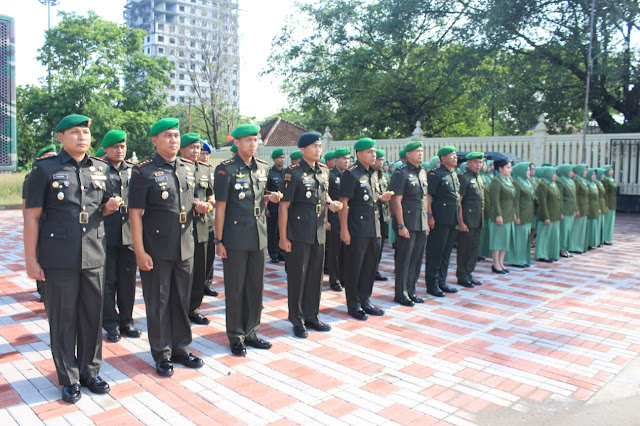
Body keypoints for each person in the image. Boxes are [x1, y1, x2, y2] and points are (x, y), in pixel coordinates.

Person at [24, 114, 119, 402]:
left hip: (93, 253)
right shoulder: (45, 169)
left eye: (86, 133)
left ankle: (91, 372)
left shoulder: (100, 169)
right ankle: (68, 377)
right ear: (60, 137)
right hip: (58, 256)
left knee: (92, 316)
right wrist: (31, 260)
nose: (82, 138)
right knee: (63, 319)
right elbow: (32, 217)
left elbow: (100, 208)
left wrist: (110, 206)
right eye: (75, 133)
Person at [129, 118, 207, 376]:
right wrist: (139, 251)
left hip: (185, 244)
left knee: (181, 299)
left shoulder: (187, 168)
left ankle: (181, 347)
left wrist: (200, 205)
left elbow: (186, 202)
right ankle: (162, 353)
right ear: (154, 140)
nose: (174, 140)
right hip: (157, 247)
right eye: (167, 136)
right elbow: (135, 215)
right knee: (158, 301)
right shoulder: (143, 172)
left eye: (176, 135)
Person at [214, 124, 281, 356]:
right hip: (234, 237)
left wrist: (269, 197)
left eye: (255, 140)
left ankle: (252, 331)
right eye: (248, 140)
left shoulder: (261, 168)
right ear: (237, 143)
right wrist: (219, 240)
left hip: (258, 235)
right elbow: (220, 208)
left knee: (255, 287)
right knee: (235, 288)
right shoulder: (226, 170)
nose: (253, 144)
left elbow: (258, 199)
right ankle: (236, 335)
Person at [280, 132, 342, 336]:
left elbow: (323, 194)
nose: (318, 150)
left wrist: (331, 203)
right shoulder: (293, 173)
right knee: (298, 277)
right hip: (298, 233)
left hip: (318, 231)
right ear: (303, 149)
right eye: (314, 146)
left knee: (316, 277)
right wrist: (283, 237)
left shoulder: (324, 171)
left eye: (319, 146)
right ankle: (297, 319)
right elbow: (284, 207)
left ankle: (312, 316)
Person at [339, 138, 393, 319]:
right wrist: (344, 230)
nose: (374, 154)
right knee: (355, 267)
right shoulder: (350, 174)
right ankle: (353, 304)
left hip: (374, 228)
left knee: (370, 267)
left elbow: (370, 198)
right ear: (359, 154)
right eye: (370, 151)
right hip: (357, 229)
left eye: (374, 151)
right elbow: (344, 203)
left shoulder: (374, 173)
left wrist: (380, 197)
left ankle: (365, 300)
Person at [101, 130, 141, 343]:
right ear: (106, 149)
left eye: (122, 146)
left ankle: (127, 320)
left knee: (127, 281)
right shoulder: (98, 169)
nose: (119, 150)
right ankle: (110, 322)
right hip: (106, 233)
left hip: (129, 234)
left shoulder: (134, 171)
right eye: (115, 147)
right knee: (108, 281)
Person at [180, 133, 215, 325]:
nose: (196, 151)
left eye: (198, 147)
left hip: (201, 226)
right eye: (192, 147)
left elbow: (210, 194)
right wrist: (195, 203)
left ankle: (194, 308)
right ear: (182, 149)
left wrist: (209, 203)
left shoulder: (205, 170)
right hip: (182, 228)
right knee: (184, 272)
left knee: (200, 271)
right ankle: (180, 309)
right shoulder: (176, 168)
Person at [389, 141, 429, 305]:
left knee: (417, 259)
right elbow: (396, 201)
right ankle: (401, 293)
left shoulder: (423, 172)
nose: (420, 153)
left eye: (421, 150)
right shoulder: (401, 173)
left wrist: (426, 220)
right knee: (404, 259)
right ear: (408, 155)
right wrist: (401, 225)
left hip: (420, 222)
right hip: (407, 222)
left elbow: (424, 198)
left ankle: (411, 291)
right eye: (416, 151)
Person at [22, 144, 58, 302]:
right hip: (40, 224)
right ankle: (42, 288)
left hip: (55, 225)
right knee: (40, 256)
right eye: (48, 156)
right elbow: (27, 206)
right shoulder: (32, 177)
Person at [425, 146, 461, 297]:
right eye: (450, 155)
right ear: (442, 158)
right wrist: (430, 216)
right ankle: (432, 284)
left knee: (446, 252)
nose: (454, 157)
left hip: (451, 218)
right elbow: (428, 197)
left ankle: (442, 281)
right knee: (435, 252)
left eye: (454, 155)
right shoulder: (436, 174)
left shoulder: (453, 174)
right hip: (439, 219)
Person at [455, 152, 485, 288]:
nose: (478, 165)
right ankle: (462, 275)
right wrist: (460, 222)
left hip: (477, 219)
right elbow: (459, 202)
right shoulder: (463, 177)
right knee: (464, 249)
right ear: (468, 163)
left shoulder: (478, 177)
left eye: (480, 162)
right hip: (467, 220)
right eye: (475, 162)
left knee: (473, 249)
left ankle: (469, 273)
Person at [326, 147, 350, 291]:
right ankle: (334, 280)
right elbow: (325, 198)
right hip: (334, 218)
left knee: (345, 250)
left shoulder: (349, 175)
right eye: (343, 159)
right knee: (334, 250)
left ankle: (343, 277)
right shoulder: (330, 175)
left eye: (348, 158)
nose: (346, 161)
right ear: (335, 160)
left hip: (347, 218)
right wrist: (326, 220)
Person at [505, 162, 535, 268]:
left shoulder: (528, 182)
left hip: (528, 214)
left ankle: (523, 258)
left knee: (525, 239)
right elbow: (515, 201)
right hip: (521, 214)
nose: (529, 172)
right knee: (519, 238)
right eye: (526, 170)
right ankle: (517, 259)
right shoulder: (516, 182)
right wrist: (516, 216)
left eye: (529, 170)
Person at [489, 159, 515, 274]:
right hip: (500, 215)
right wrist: (499, 215)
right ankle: (495, 264)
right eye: (508, 167)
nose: (510, 170)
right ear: (500, 169)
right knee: (497, 240)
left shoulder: (508, 180)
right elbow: (495, 200)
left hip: (509, 214)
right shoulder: (496, 181)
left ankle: (501, 262)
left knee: (505, 240)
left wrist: (514, 212)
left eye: (510, 167)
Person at [201, 141, 219, 297]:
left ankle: (207, 283)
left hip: (210, 218)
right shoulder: (186, 171)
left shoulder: (210, 171)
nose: (204, 157)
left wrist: (212, 201)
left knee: (209, 255)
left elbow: (211, 193)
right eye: (202, 154)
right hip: (195, 221)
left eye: (207, 154)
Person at [534, 166, 562, 262]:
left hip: (554, 215)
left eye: (555, 173)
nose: (555, 176)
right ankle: (542, 254)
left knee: (552, 236)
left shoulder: (553, 184)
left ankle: (550, 253)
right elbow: (542, 202)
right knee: (544, 236)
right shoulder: (543, 185)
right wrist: (546, 217)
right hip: (546, 215)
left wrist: (560, 213)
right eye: (553, 173)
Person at [267, 148, 286, 263]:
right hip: (273, 207)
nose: (282, 160)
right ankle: (274, 253)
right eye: (280, 158)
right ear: (274, 159)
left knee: (282, 230)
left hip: (283, 207)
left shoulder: (286, 172)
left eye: (283, 157)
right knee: (273, 231)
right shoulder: (270, 173)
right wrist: (266, 207)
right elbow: (265, 190)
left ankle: (281, 253)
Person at [373, 149, 390, 281]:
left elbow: (388, 196)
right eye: (379, 160)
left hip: (383, 214)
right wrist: (379, 198)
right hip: (372, 215)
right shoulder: (369, 175)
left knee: (380, 245)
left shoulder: (384, 176)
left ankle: (376, 268)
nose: (381, 162)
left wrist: (388, 214)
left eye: (382, 160)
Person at [556, 164, 577, 258]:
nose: (572, 173)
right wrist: (561, 211)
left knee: (569, 230)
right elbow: (560, 198)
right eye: (571, 171)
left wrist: (576, 209)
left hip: (571, 209)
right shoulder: (560, 181)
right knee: (564, 231)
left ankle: (566, 248)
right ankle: (562, 249)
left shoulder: (571, 182)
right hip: (565, 209)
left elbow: (574, 197)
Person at [568, 164, 589, 254]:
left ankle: (580, 245)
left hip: (584, 207)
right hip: (579, 208)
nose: (586, 172)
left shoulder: (583, 181)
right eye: (584, 170)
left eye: (586, 170)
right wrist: (576, 209)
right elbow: (574, 196)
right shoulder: (576, 181)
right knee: (577, 228)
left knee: (581, 228)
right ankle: (574, 246)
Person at [478, 159, 494, 259]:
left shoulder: (486, 177)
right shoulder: (479, 177)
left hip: (488, 207)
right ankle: (477, 253)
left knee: (485, 233)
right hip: (480, 209)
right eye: (484, 164)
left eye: (485, 164)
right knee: (480, 233)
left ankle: (482, 252)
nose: (485, 166)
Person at [585, 168, 601, 250]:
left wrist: (598, 208)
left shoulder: (594, 184)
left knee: (594, 225)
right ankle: (587, 243)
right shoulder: (586, 184)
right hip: (588, 207)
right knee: (589, 226)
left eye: (595, 174)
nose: (594, 176)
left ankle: (592, 242)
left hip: (594, 207)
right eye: (592, 174)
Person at [602, 165, 616, 245]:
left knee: (611, 221)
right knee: (606, 221)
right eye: (610, 170)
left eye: (612, 169)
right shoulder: (606, 180)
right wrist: (606, 204)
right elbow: (605, 193)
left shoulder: (612, 180)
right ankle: (605, 238)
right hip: (608, 203)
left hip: (613, 203)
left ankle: (609, 237)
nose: (612, 171)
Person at [595, 168, 607, 247]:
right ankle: (597, 241)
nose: (604, 176)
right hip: (598, 204)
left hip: (602, 204)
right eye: (602, 174)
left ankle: (600, 240)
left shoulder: (600, 183)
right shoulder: (596, 183)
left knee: (601, 224)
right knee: (598, 224)